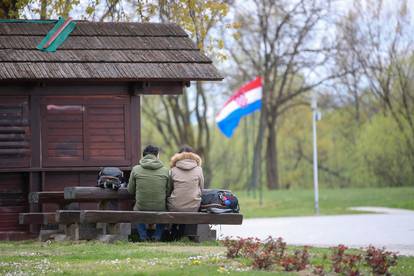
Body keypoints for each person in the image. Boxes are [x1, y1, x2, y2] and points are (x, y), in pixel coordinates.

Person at [127, 145, 170, 241]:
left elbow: (130, 190)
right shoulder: (166, 171)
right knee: (164, 210)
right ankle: (157, 236)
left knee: (136, 210)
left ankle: (143, 236)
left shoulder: (136, 169)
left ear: (143, 156)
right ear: (157, 156)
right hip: (160, 207)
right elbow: (168, 191)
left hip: (141, 207)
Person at [167, 146, 204, 212]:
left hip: (175, 207)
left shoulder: (173, 170)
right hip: (194, 207)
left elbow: (169, 189)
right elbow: (201, 189)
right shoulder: (199, 170)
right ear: (193, 155)